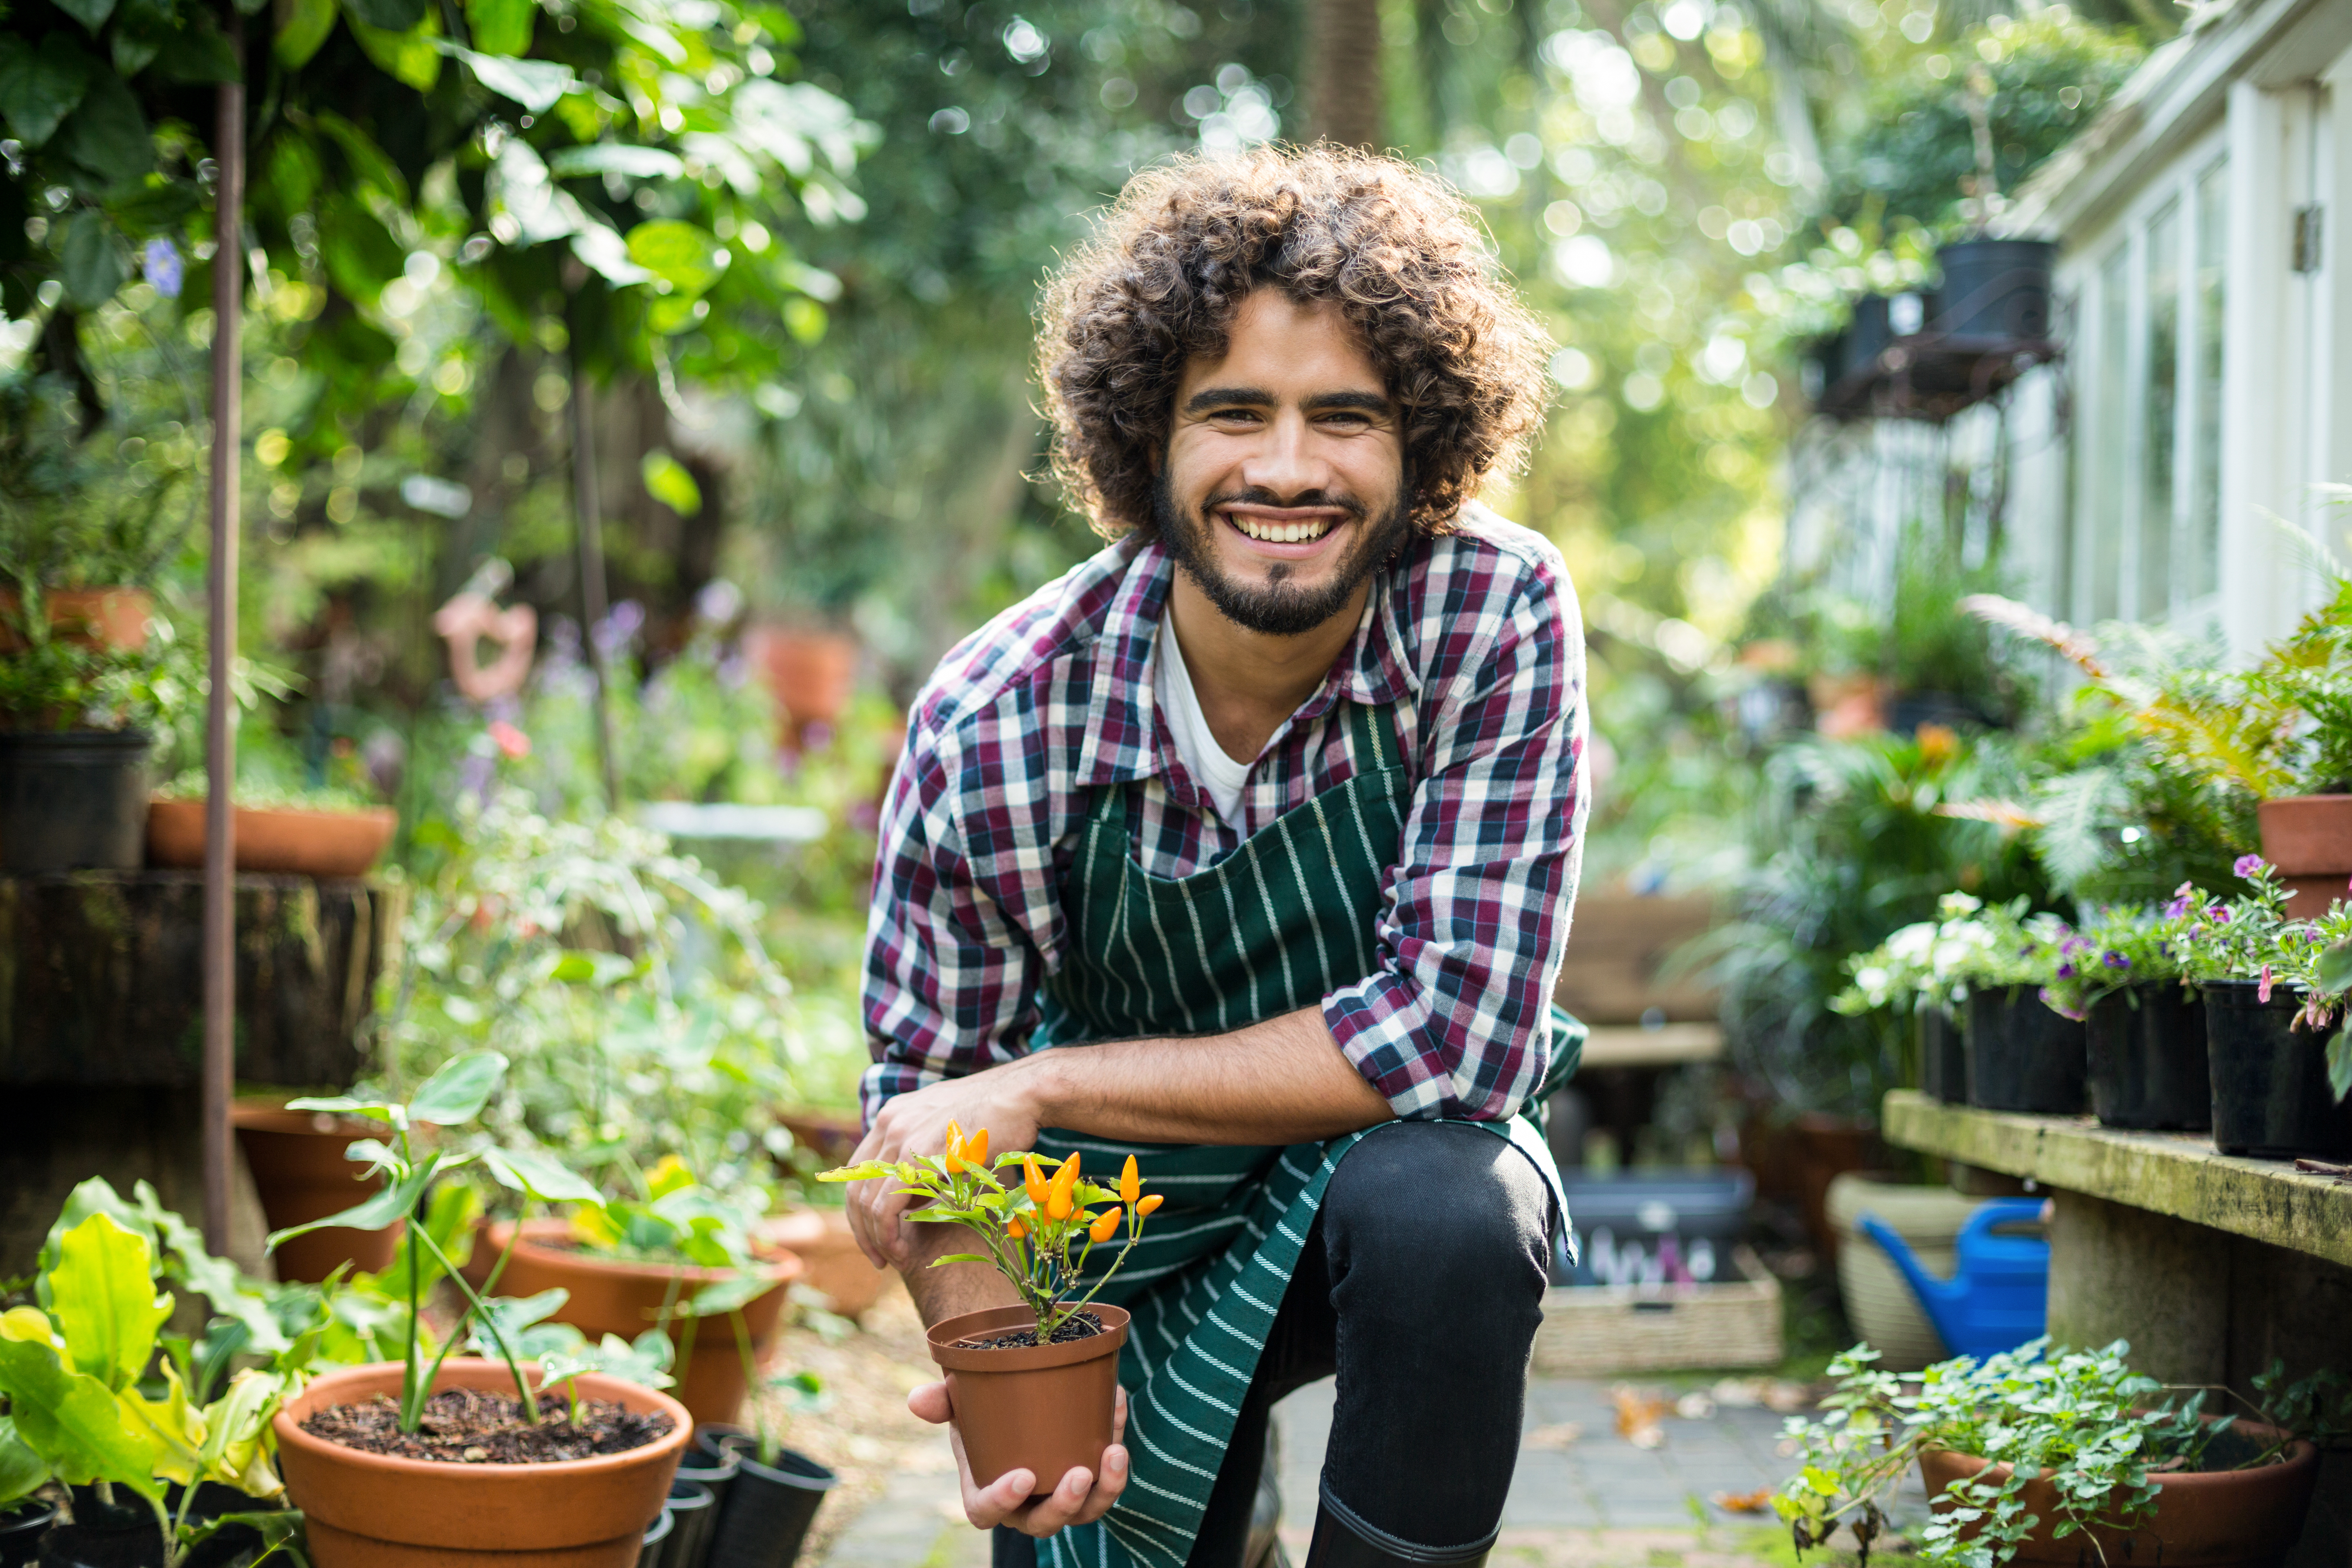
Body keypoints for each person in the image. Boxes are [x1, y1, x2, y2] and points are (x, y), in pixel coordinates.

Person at [845, 145, 1588, 1568]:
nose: (1289, 469)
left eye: (1347, 419)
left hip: (1382, 1175)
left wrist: (1050, 1079)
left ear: (1422, 447)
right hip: (1112, 1228)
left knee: (1455, 1211)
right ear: (1149, 439)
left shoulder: (1489, 618)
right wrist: (1000, 1359)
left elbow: (1458, 1039)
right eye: (1233, 412)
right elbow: (928, 1115)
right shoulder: (1002, 717)